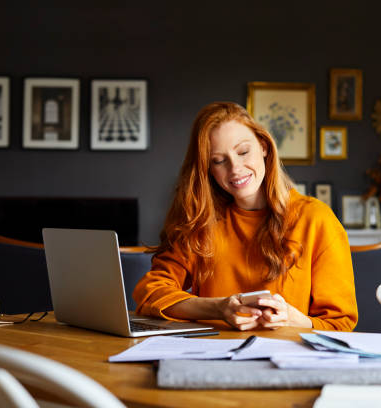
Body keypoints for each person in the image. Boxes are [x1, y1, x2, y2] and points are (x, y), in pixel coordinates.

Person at [133, 102, 357, 331]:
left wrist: (292, 319)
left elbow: (340, 324)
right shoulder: (203, 221)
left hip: (288, 359)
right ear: (208, 169)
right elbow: (151, 292)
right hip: (212, 357)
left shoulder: (315, 219)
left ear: (263, 147)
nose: (235, 168)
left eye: (243, 152)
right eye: (219, 161)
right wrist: (219, 308)